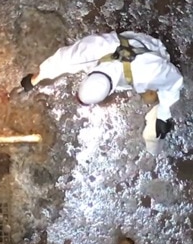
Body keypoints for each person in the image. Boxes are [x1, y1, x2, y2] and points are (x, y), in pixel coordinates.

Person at [18, 30, 183, 154]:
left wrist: (163, 113)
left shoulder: (148, 72)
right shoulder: (91, 50)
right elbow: (61, 59)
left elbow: (175, 81)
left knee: (152, 128)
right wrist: (35, 79)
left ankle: (154, 152)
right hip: (124, 44)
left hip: (151, 51)